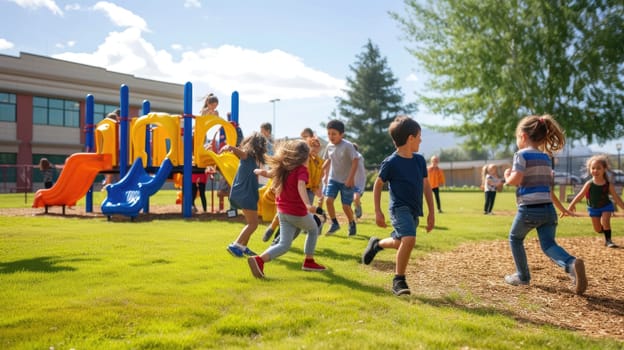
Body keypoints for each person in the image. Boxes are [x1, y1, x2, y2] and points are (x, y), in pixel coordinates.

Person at [503, 114, 587, 295]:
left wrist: (506, 177)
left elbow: (516, 179)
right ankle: (571, 264)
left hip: (529, 210)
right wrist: (562, 208)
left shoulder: (521, 155)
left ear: (523, 137)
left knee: (515, 238)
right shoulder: (546, 158)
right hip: (548, 210)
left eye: (517, 137)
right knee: (548, 245)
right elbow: (549, 189)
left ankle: (522, 277)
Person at [361, 115, 434, 296]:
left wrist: (432, 212)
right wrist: (378, 212)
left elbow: (426, 186)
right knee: (409, 240)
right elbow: (378, 185)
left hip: (414, 209)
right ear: (410, 138)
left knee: (400, 242)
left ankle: (377, 244)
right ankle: (398, 280)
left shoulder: (419, 160)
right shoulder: (391, 162)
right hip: (399, 208)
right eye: (419, 136)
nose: (421, 140)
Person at [248, 140, 327, 278]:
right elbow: (301, 185)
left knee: (284, 244)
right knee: (313, 229)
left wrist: (257, 171)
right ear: (303, 157)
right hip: (297, 212)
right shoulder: (302, 170)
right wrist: (308, 205)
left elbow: (267, 173)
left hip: (282, 213)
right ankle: (309, 261)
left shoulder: (283, 168)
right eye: (308, 156)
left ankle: (259, 260)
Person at [262, 135, 325, 242]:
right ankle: (272, 228)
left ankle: (279, 240)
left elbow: (317, 176)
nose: (315, 149)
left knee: (298, 216)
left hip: (309, 191)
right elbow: (286, 173)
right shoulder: (302, 160)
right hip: (296, 190)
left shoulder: (319, 161)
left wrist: (317, 188)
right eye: (313, 146)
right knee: (285, 213)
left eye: (317, 147)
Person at [223, 132, 268, 257]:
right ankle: (236, 245)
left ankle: (243, 247)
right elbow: (241, 153)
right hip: (245, 195)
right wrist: (231, 148)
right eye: (263, 144)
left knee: (251, 222)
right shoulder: (247, 156)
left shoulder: (253, 159)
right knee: (253, 224)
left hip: (246, 194)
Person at [567, 155, 624, 248]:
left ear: (604, 169)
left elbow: (616, 198)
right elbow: (580, 195)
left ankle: (608, 241)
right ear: (589, 169)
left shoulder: (608, 184)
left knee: (605, 221)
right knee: (597, 229)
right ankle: (605, 231)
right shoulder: (589, 184)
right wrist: (571, 206)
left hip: (606, 206)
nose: (595, 170)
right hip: (593, 208)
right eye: (593, 168)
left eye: (598, 168)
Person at [322, 120, 359, 236]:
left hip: (346, 181)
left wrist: (351, 178)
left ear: (341, 134)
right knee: (328, 201)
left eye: (334, 134)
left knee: (346, 206)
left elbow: (355, 161)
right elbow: (328, 160)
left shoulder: (348, 146)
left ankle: (351, 223)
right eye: (329, 133)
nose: (331, 136)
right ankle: (334, 223)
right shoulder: (329, 146)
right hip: (334, 179)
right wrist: (322, 173)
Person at [352, 143, 367, 219]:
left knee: (356, 198)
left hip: (359, 183)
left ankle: (358, 208)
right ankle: (357, 205)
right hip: (351, 182)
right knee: (352, 199)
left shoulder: (359, 156)